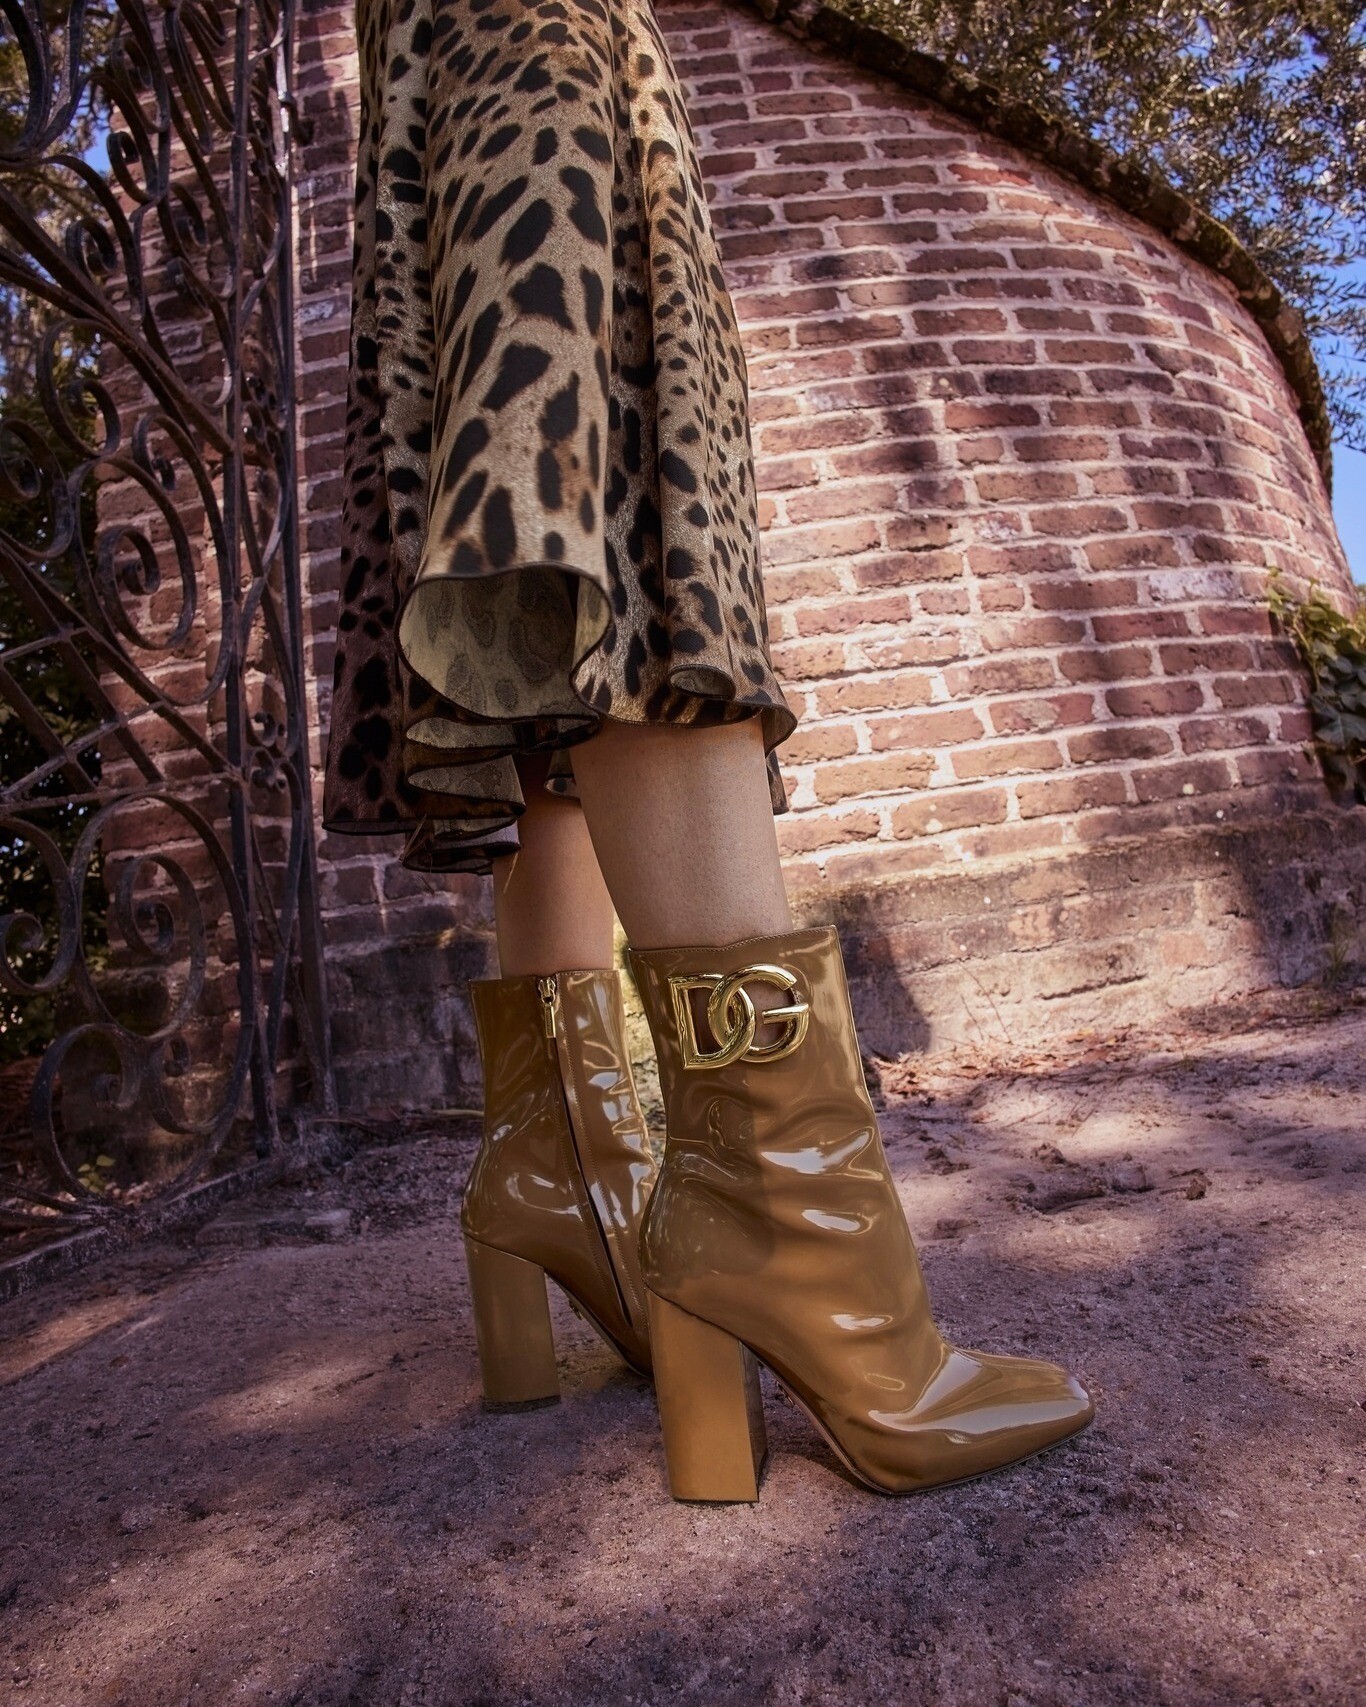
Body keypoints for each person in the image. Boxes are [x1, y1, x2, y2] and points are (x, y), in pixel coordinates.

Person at [323, 0, 1093, 1499]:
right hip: (540, 34)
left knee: (539, 569)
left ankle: (563, 1169)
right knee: (619, 500)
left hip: (452, 52)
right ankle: (791, 1243)